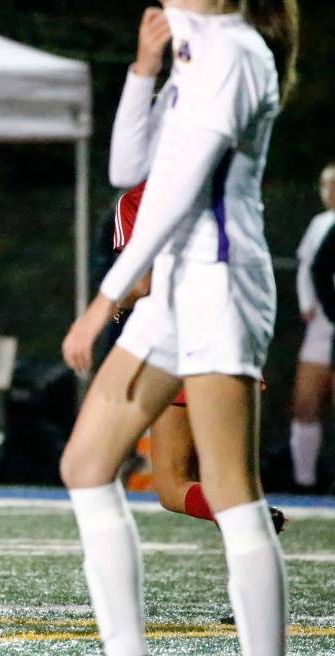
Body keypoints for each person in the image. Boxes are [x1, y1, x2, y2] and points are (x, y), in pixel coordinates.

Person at [59, 0, 298, 656]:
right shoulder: (194, 53)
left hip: (221, 287)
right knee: (88, 465)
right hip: (173, 288)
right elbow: (127, 169)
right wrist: (142, 67)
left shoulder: (237, 53)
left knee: (230, 490)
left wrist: (104, 299)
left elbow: (183, 186)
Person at [113, 181, 287, 538]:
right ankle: (250, 522)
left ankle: (246, 518)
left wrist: (113, 302)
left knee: (172, 485)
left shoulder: (138, 199)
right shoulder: (229, 192)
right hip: (233, 338)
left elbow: (139, 285)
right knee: (239, 481)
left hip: (176, 348)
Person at [288, 164, 335, 490]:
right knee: (306, 401)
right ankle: (304, 482)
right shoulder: (321, 224)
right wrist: (308, 305)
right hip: (323, 324)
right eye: (325, 185)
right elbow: (310, 268)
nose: (328, 192)